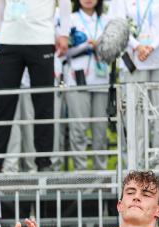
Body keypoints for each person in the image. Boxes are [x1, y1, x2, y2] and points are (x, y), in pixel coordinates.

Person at [0, 0, 71, 171]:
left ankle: (43, 162)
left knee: (44, 104)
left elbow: (64, 3)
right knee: (3, 104)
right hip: (8, 40)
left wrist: (64, 33)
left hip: (41, 40)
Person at [107, 0, 159, 165]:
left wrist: (152, 47)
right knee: (135, 115)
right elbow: (118, 25)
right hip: (133, 61)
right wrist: (138, 46)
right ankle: (137, 163)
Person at [64, 0, 109, 170]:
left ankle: (103, 176)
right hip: (77, 80)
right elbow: (62, 51)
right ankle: (81, 175)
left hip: (101, 80)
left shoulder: (106, 20)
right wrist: (85, 46)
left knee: (100, 131)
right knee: (79, 130)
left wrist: (101, 47)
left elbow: (115, 50)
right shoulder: (70, 19)